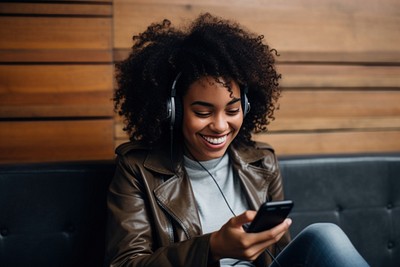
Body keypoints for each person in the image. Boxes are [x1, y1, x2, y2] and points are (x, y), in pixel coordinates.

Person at [106, 13, 369, 267]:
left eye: (232, 110)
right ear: (172, 111)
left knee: (324, 235)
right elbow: (126, 263)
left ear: (246, 106)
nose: (220, 126)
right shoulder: (137, 169)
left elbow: (279, 252)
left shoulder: (262, 162)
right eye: (202, 112)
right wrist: (212, 247)